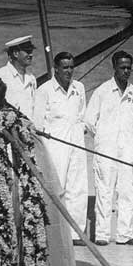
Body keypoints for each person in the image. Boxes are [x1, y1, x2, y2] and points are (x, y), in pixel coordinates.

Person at [84, 50, 133, 246]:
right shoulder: (102, 91)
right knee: (104, 193)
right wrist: (103, 139)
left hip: (127, 151)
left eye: (129, 68)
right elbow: (89, 121)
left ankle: (125, 234)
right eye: (122, 67)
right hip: (106, 151)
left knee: (127, 193)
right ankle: (102, 234)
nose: (126, 71)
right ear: (114, 67)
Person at [34, 51, 88, 245]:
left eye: (71, 67)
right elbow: (37, 123)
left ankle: (76, 233)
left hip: (76, 143)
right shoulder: (44, 90)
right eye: (65, 67)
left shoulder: (79, 88)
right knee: (57, 188)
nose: (69, 71)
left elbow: (81, 115)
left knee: (78, 188)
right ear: (55, 69)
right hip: (55, 145)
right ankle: (54, 233)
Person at [0, 35, 37, 118]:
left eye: (31, 51)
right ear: (15, 53)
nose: (31, 55)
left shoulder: (31, 78)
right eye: (27, 51)